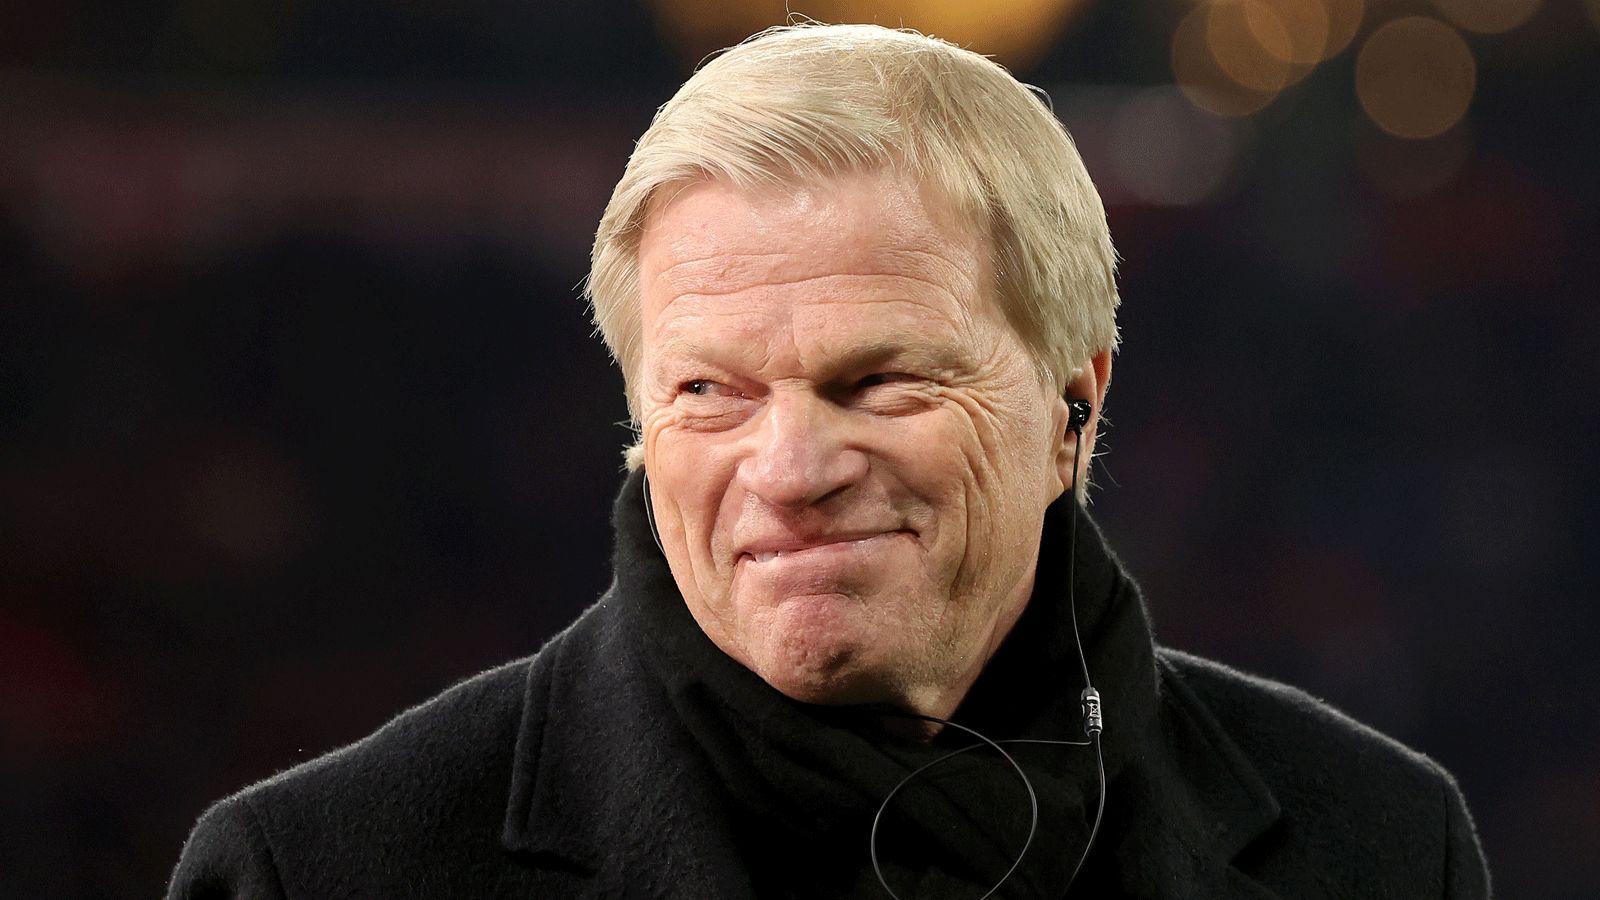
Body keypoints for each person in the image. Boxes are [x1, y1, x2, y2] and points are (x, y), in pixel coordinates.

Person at [168, 23, 1491, 899]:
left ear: (1073, 407)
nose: (792, 467)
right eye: (710, 393)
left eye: (880, 382)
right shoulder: (313, 874)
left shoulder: (1380, 844)